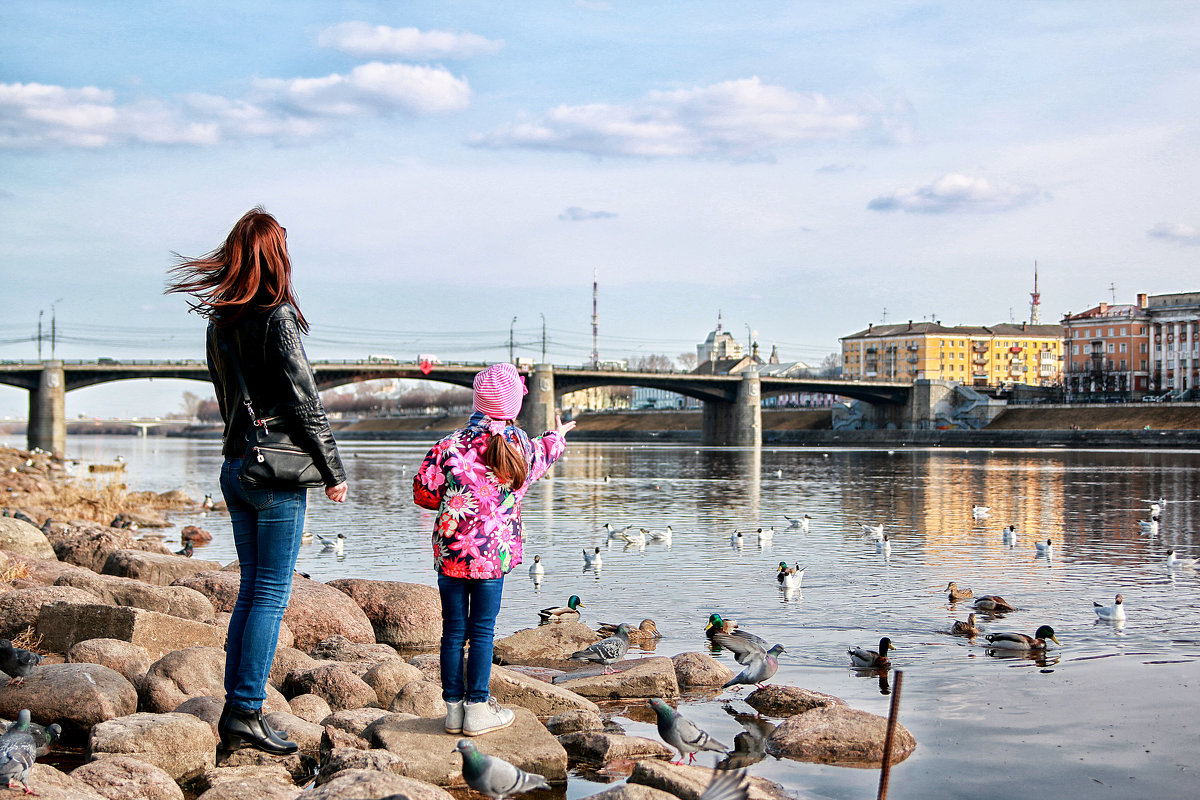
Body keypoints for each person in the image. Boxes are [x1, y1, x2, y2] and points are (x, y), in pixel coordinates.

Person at [166, 207, 348, 755]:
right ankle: (245, 711)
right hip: (275, 473)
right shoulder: (277, 318)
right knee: (269, 594)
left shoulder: (218, 321)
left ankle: (237, 709)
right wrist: (333, 471)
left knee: (252, 591)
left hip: (235, 467)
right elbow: (305, 402)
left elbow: (228, 402)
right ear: (275, 257)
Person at [413, 363, 574, 736]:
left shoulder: (449, 445)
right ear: (514, 405)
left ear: (478, 400)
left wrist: (454, 497)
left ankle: (453, 712)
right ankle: (478, 709)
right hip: (492, 557)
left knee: (453, 631)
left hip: (452, 553)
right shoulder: (518, 446)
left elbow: (423, 493)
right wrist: (558, 435)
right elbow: (543, 457)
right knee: (482, 632)